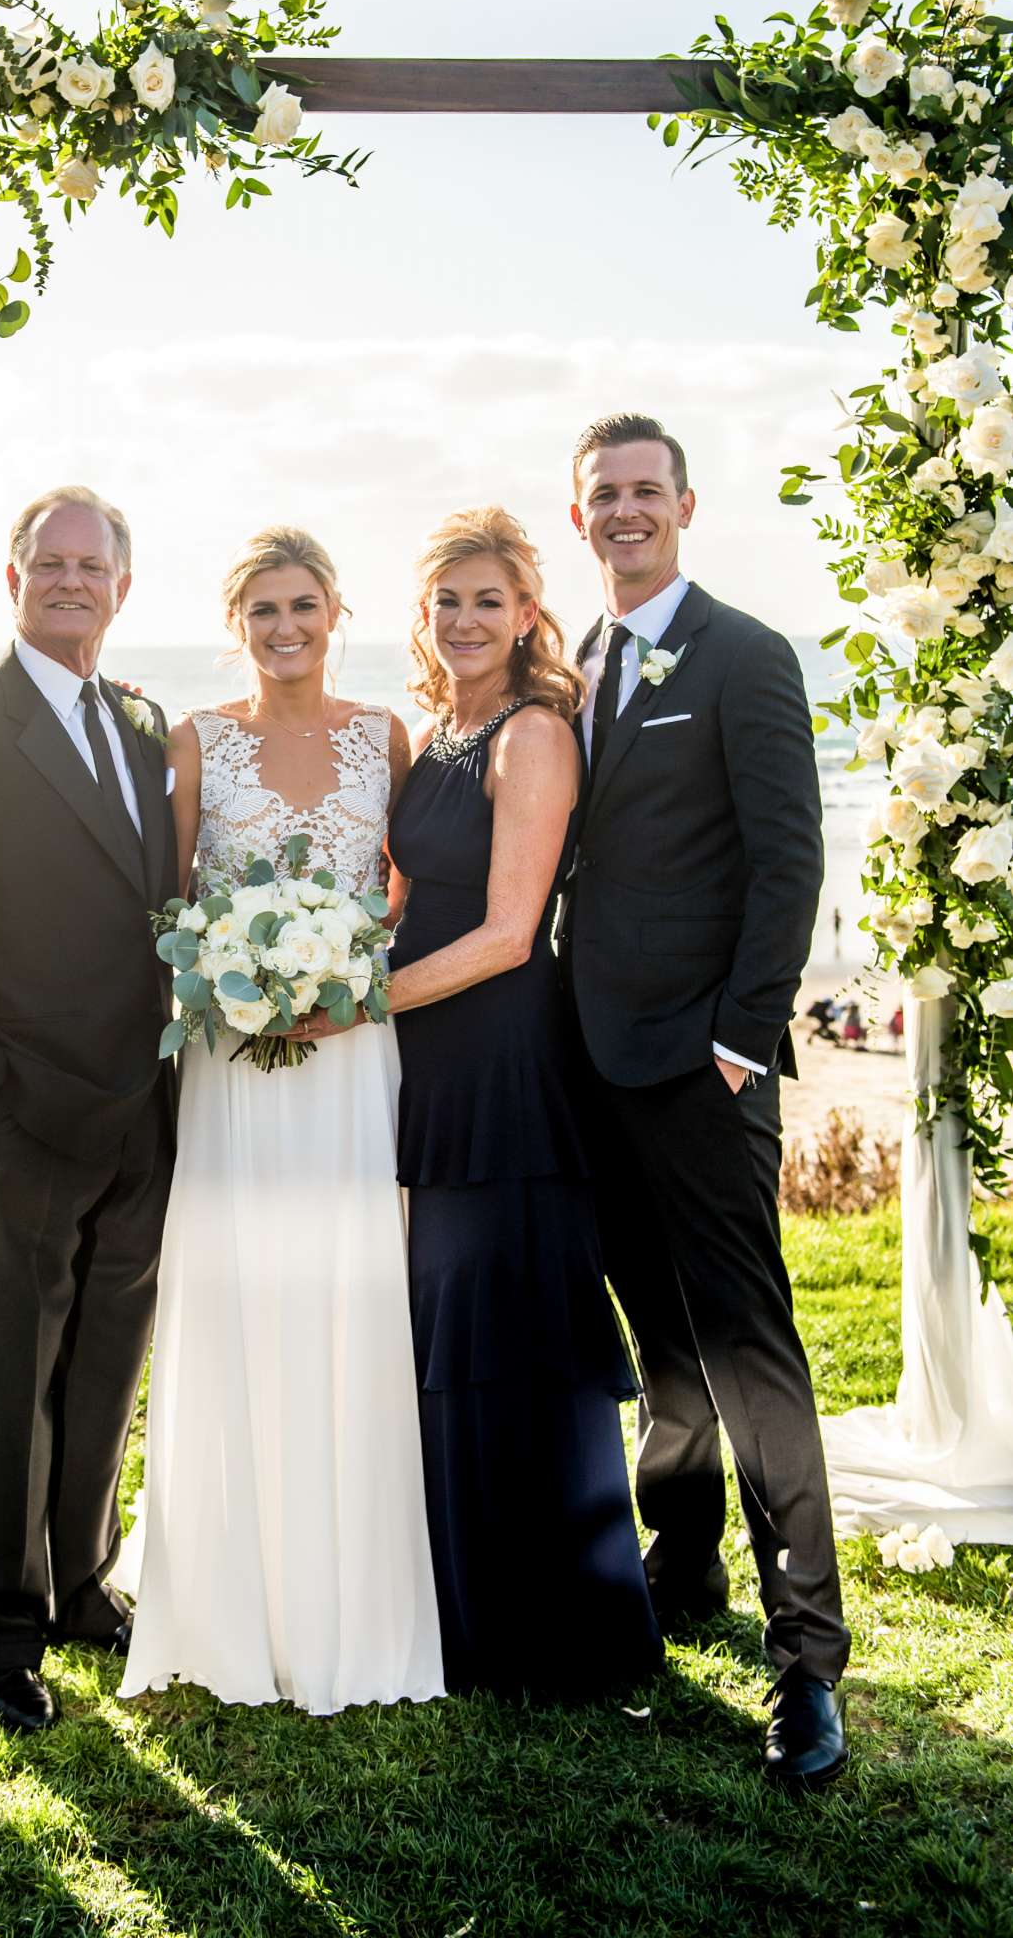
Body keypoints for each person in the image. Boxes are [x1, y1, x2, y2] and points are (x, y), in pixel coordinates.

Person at [562, 410, 849, 1788]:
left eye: (642, 492)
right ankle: (682, 1569)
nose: (623, 511)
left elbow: (787, 859)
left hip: (701, 1066)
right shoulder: (577, 660)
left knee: (747, 1348)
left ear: (683, 505)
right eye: (602, 495)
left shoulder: (741, 654)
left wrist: (739, 1041)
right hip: (588, 1066)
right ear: (579, 518)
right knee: (658, 1344)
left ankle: (808, 1660)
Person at [119, 528, 443, 1715]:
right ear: (235, 623)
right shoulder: (197, 741)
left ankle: (353, 1592)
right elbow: (160, 895)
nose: (285, 627)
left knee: (354, 1295)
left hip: (352, 1060)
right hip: (233, 1064)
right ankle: (227, 1600)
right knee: (241, 1296)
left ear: (336, 609)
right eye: (263, 610)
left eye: (303, 605)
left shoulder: (384, 737)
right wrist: (231, 973)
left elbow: (409, 886)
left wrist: (341, 975)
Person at [0, 486, 177, 1735]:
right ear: (13, 582)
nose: (69, 582)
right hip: (25, 1114)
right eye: (46, 564)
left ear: (122, 586)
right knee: (8, 1378)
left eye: (90, 566)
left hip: (146, 1108)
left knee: (107, 1366)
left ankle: (81, 1582)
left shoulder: (143, 723)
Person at [378, 508, 660, 1698]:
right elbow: (404, 892)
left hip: (498, 1058)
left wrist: (360, 1002)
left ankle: (548, 1626)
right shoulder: (443, 727)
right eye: (447, 599)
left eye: (488, 599)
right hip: (432, 1058)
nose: (466, 619)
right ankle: (463, 1599)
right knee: (450, 1320)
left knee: (505, 1329)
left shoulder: (533, 733)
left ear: (528, 612)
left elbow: (506, 933)